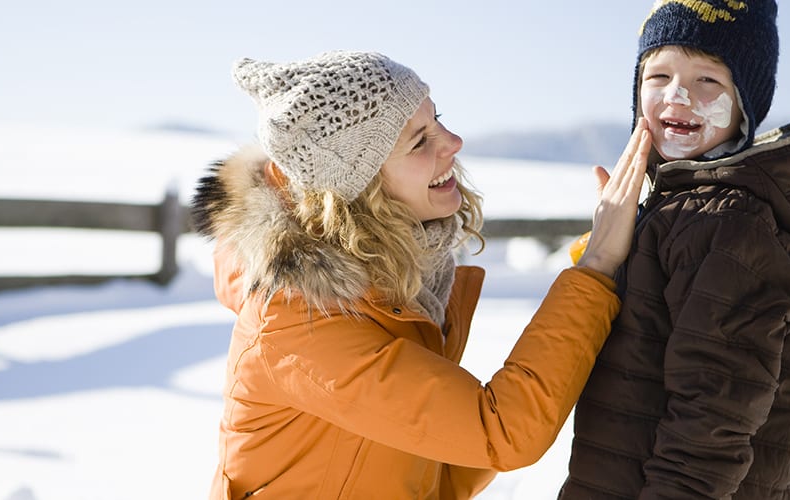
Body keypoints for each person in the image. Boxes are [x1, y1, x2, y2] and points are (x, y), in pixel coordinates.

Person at [191, 50, 651, 499]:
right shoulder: (301, 330)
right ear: (356, 190)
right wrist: (593, 272)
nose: (453, 143)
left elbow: (435, 467)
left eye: (438, 120)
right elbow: (502, 431)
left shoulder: (400, 280)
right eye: (419, 140)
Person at [559, 1, 790, 499]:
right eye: (658, 75)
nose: (678, 95)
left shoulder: (731, 228)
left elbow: (710, 425)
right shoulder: (683, 210)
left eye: (708, 81)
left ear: (745, 105)